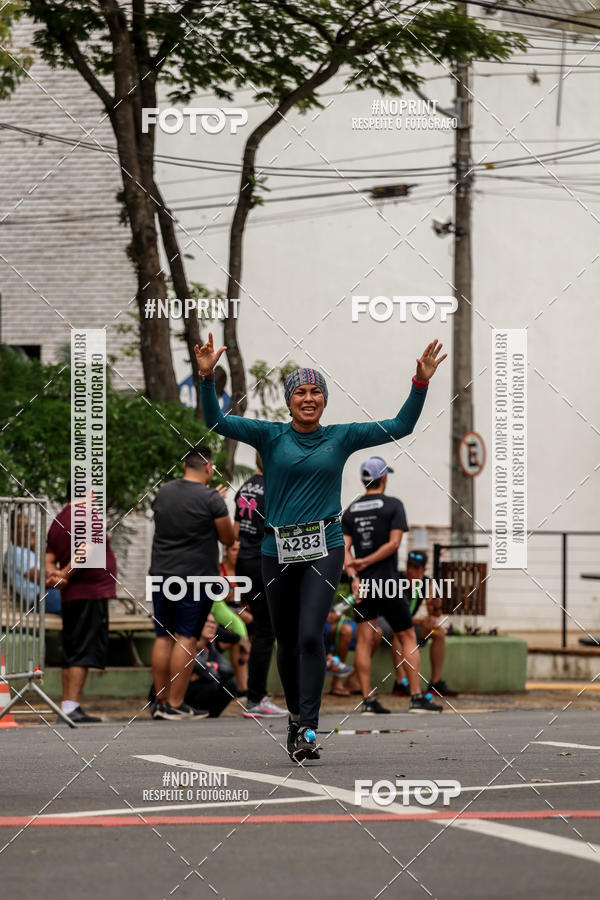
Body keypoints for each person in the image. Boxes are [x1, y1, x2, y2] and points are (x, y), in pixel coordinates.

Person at [196, 333, 446, 761]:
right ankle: (295, 718)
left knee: (312, 634)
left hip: (324, 546)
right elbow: (217, 422)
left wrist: (420, 382)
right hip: (276, 549)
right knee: (286, 640)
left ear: (324, 400)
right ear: (289, 401)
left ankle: (309, 727)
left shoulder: (341, 437)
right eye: (300, 392)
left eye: (316, 392)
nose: (308, 398)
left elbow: (401, 426)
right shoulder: (270, 436)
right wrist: (206, 378)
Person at [343, 458, 442, 714]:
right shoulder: (394, 505)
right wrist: (368, 561)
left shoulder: (351, 510)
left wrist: (354, 575)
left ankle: (367, 700)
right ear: (383, 478)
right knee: (407, 636)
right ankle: (416, 697)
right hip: (388, 582)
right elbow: (394, 544)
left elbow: (344, 549)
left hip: (363, 585)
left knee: (364, 639)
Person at [149, 442, 234, 720]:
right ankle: (175, 704)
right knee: (186, 636)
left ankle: (160, 702)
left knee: (163, 636)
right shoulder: (211, 499)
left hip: (161, 573)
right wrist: (215, 504)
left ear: (185, 465)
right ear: (208, 468)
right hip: (195, 576)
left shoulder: (164, 491)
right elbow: (228, 538)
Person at [45, 489, 117, 724]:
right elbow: (87, 548)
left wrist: (54, 576)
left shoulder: (59, 519)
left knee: (72, 648)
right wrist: (64, 575)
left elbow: (49, 557)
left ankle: (68, 706)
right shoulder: (87, 514)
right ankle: (71, 707)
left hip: (71, 595)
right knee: (82, 649)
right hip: (90, 592)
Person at [235, 454, 287, 718]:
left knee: (260, 630)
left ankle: (255, 695)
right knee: (266, 632)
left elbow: (236, 530)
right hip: (262, 562)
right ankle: (256, 698)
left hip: (243, 562)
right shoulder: (274, 488)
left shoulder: (245, 487)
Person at [392, 550, 458, 698]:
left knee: (439, 633)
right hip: (388, 624)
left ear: (423, 570)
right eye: (409, 566)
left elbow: (435, 613)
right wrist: (420, 621)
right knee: (399, 631)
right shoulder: (396, 580)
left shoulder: (427, 583)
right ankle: (401, 682)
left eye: (415, 567)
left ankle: (435, 683)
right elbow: (395, 617)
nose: (411, 570)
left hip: (409, 625)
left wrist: (435, 607)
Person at [149, 614, 237, 718]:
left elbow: (228, 669)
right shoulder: (182, 645)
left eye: (213, 623)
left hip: (197, 685)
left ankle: (209, 716)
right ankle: (171, 707)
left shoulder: (208, 647)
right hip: (169, 692)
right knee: (210, 683)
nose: (211, 625)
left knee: (230, 683)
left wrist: (212, 666)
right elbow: (202, 668)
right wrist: (203, 670)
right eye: (207, 622)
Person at [5, 511, 61, 613]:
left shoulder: (27, 553)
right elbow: (42, 578)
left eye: (30, 527)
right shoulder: (15, 552)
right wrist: (63, 575)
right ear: (12, 533)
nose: (29, 530)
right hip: (42, 598)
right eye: (23, 527)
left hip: (49, 594)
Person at [217, 540, 252, 697]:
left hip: (242, 616)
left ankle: (245, 687)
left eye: (239, 550)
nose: (236, 553)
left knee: (250, 624)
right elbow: (217, 599)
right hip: (222, 615)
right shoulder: (220, 571)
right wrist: (234, 593)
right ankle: (243, 688)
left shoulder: (243, 570)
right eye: (233, 550)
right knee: (240, 635)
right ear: (226, 551)